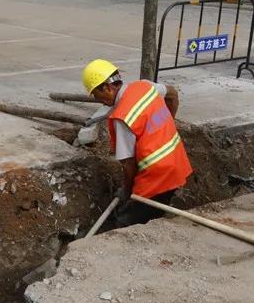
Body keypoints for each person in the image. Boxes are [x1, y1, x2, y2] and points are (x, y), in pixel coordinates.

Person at [81, 59, 193, 227]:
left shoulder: (122, 117)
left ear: (107, 87)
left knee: (128, 222)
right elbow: (172, 94)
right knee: (157, 208)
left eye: (97, 95)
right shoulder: (145, 86)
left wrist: (127, 191)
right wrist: (169, 124)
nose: (100, 101)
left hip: (157, 176)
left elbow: (128, 164)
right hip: (177, 161)